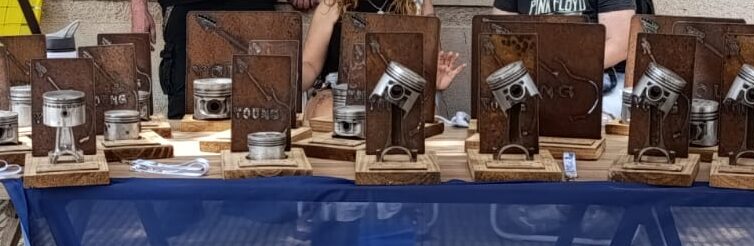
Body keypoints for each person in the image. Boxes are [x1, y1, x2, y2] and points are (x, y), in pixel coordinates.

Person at [131, 0, 314, 119]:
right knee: (186, 114)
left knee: (261, 112)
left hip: (253, 6)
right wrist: (138, 7)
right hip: (187, 7)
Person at [301, 0, 465, 115]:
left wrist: (434, 78)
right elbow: (310, 64)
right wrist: (293, 76)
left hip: (396, 93)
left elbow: (430, 64)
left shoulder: (418, 4)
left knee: (418, 115)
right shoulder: (333, 4)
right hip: (339, 93)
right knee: (328, 112)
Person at [491, 0, 635, 118]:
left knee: (591, 123)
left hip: (599, 81)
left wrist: (564, 70)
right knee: (501, 120)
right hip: (533, 80)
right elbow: (501, 40)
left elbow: (620, 46)